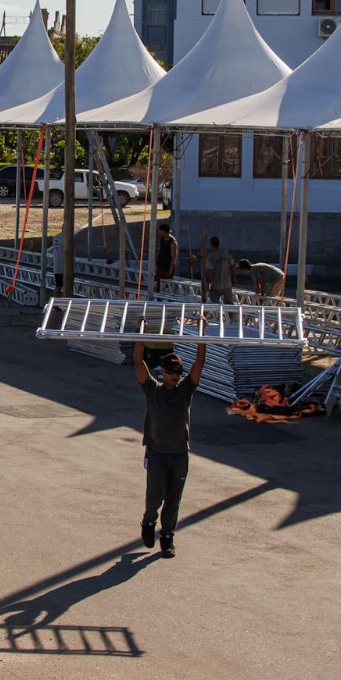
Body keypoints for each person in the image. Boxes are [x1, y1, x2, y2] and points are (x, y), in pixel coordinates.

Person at [133, 341, 206, 558]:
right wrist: (141, 335)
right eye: (172, 372)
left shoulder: (186, 390)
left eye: (179, 372)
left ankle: (167, 537)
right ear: (162, 372)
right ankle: (148, 520)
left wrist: (202, 337)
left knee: (173, 499)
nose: (176, 376)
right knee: (155, 496)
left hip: (179, 454)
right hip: (157, 453)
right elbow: (138, 361)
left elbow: (200, 363)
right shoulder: (152, 390)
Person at [203, 236, 235, 304]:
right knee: (229, 304)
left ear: (211, 244)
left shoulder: (211, 257)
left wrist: (207, 283)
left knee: (214, 304)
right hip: (227, 284)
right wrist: (234, 278)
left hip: (216, 284)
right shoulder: (227, 254)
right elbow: (233, 267)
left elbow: (210, 272)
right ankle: (230, 315)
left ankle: (217, 315)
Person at [153, 222, 179, 292]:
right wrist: (156, 258)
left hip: (167, 266)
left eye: (160, 231)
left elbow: (173, 257)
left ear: (164, 231)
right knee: (158, 282)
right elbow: (159, 249)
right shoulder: (162, 239)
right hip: (160, 264)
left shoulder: (173, 242)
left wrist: (170, 269)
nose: (159, 232)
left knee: (166, 284)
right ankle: (157, 296)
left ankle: (163, 298)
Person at [48, 229, 68, 293]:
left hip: (58, 267)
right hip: (64, 267)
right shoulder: (66, 238)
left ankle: (57, 299)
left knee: (59, 286)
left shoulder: (56, 237)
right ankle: (55, 300)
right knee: (60, 286)